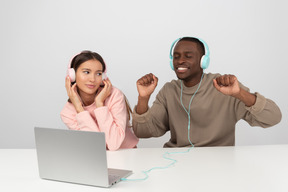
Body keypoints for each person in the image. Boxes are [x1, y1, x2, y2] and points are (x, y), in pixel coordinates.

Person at [132, 37, 282, 147]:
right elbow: (143, 132)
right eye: (176, 57)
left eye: (188, 56)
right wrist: (143, 98)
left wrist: (239, 94)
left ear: (203, 61)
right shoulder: (169, 90)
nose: (180, 61)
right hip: (177, 162)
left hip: (218, 165)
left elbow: (273, 118)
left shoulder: (225, 87)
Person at [61, 50, 139, 151]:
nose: (92, 79)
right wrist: (79, 109)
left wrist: (100, 105)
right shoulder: (67, 113)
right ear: (72, 75)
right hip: (98, 158)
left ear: (103, 77)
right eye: (86, 72)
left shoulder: (114, 95)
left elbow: (114, 144)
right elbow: (95, 146)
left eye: (98, 74)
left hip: (127, 154)